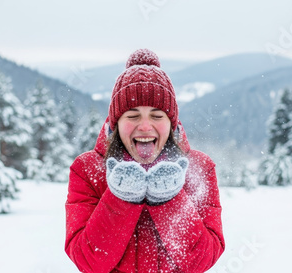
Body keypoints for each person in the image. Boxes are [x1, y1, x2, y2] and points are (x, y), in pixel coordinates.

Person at [65, 49, 225, 273]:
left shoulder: (199, 169)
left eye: (157, 116)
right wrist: (121, 197)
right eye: (132, 116)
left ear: (171, 123)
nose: (145, 126)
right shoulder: (87, 169)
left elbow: (203, 261)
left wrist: (169, 200)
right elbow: (88, 261)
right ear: (116, 122)